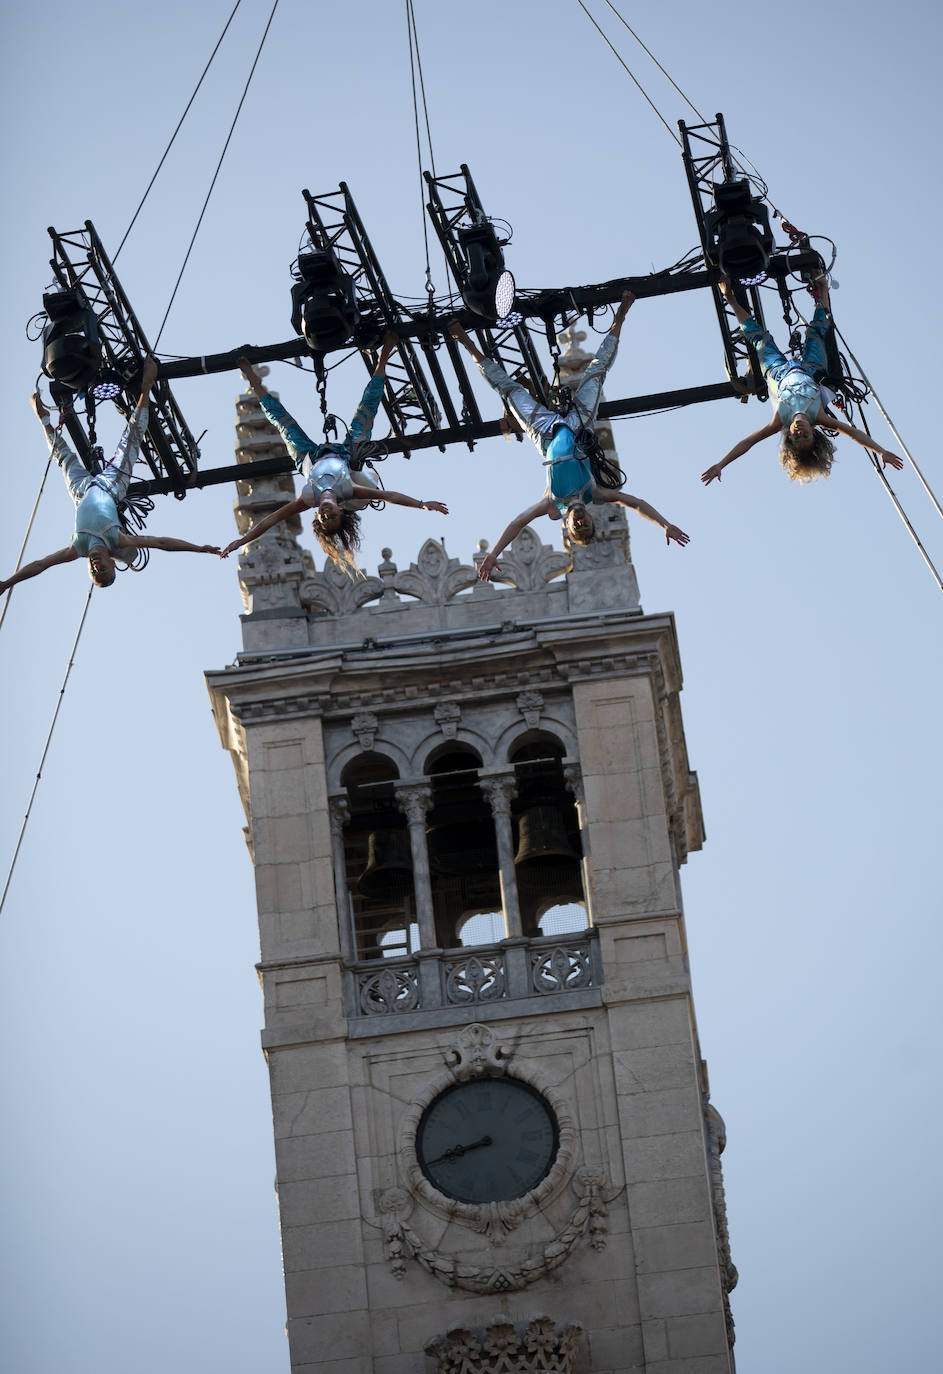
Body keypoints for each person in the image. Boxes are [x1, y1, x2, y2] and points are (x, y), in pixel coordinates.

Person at [449, 294, 689, 579]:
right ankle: (621, 315)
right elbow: (634, 502)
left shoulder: (551, 503)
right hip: (578, 424)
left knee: (508, 389)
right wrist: (664, 524)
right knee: (597, 372)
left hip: (545, 432)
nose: (581, 523)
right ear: (590, 518)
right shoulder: (594, 492)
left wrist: (494, 554)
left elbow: (517, 523)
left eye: (578, 528)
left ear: (569, 527)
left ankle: (465, 342)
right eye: (587, 524)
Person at [223, 334, 448, 576]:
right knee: (367, 409)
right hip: (346, 455)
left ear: (317, 516)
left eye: (323, 521)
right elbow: (388, 496)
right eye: (332, 519)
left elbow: (271, 520)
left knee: (281, 421)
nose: (326, 516)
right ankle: (383, 357)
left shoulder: (309, 498)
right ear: (340, 511)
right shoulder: (348, 492)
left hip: (308, 458)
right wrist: (422, 504)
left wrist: (242, 541)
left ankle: (250, 375)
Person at [0, 359, 221, 595]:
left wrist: (7, 583)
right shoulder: (117, 540)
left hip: (81, 491)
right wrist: (198, 548)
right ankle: (146, 386)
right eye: (103, 570)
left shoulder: (77, 548)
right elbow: (161, 543)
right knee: (132, 438)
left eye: (93, 573)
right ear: (113, 562)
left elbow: (40, 565)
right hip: (110, 487)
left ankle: (43, 418)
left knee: (61, 455)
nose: (97, 567)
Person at [701, 277, 904, 485]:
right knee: (817, 330)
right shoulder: (821, 417)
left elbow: (747, 443)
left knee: (758, 338)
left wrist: (721, 464)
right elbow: (854, 433)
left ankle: (729, 298)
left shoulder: (779, 421)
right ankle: (823, 291)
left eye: (795, 438)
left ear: (789, 435)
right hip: (811, 369)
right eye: (806, 437)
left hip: (777, 371)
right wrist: (881, 450)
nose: (800, 433)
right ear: (814, 434)